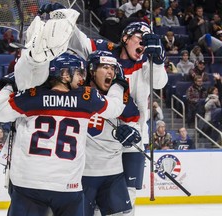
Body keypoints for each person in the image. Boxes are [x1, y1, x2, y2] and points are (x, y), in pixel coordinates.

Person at [0, 52, 132, 216]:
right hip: (67, 185)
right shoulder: (87, 98)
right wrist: (118, 84)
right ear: (64, 74)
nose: (82, 78)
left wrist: (10, 85)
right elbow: (115, 108)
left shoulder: (32, 96)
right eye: (78, 72)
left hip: (28, 184)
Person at [66, 18, 168, 216]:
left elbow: (160, 83)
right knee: (95, 194)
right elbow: (80, 40)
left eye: (147, 40)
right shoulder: (105, 54)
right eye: (140, 38)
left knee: (128, 197)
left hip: (133, 135)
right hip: (99, 138)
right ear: (125, 38)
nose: (143, 44)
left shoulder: (147, 63)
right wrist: (64, 18)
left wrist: (159, 61)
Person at [82, 50, 141, 216]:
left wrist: (131, 134)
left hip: (112, 172)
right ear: (92, 70)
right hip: (81, 172)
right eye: (105, 67)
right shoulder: (76, 94)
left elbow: (134, 127)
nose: (110, 72)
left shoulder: (123, 99)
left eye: (113, 68)